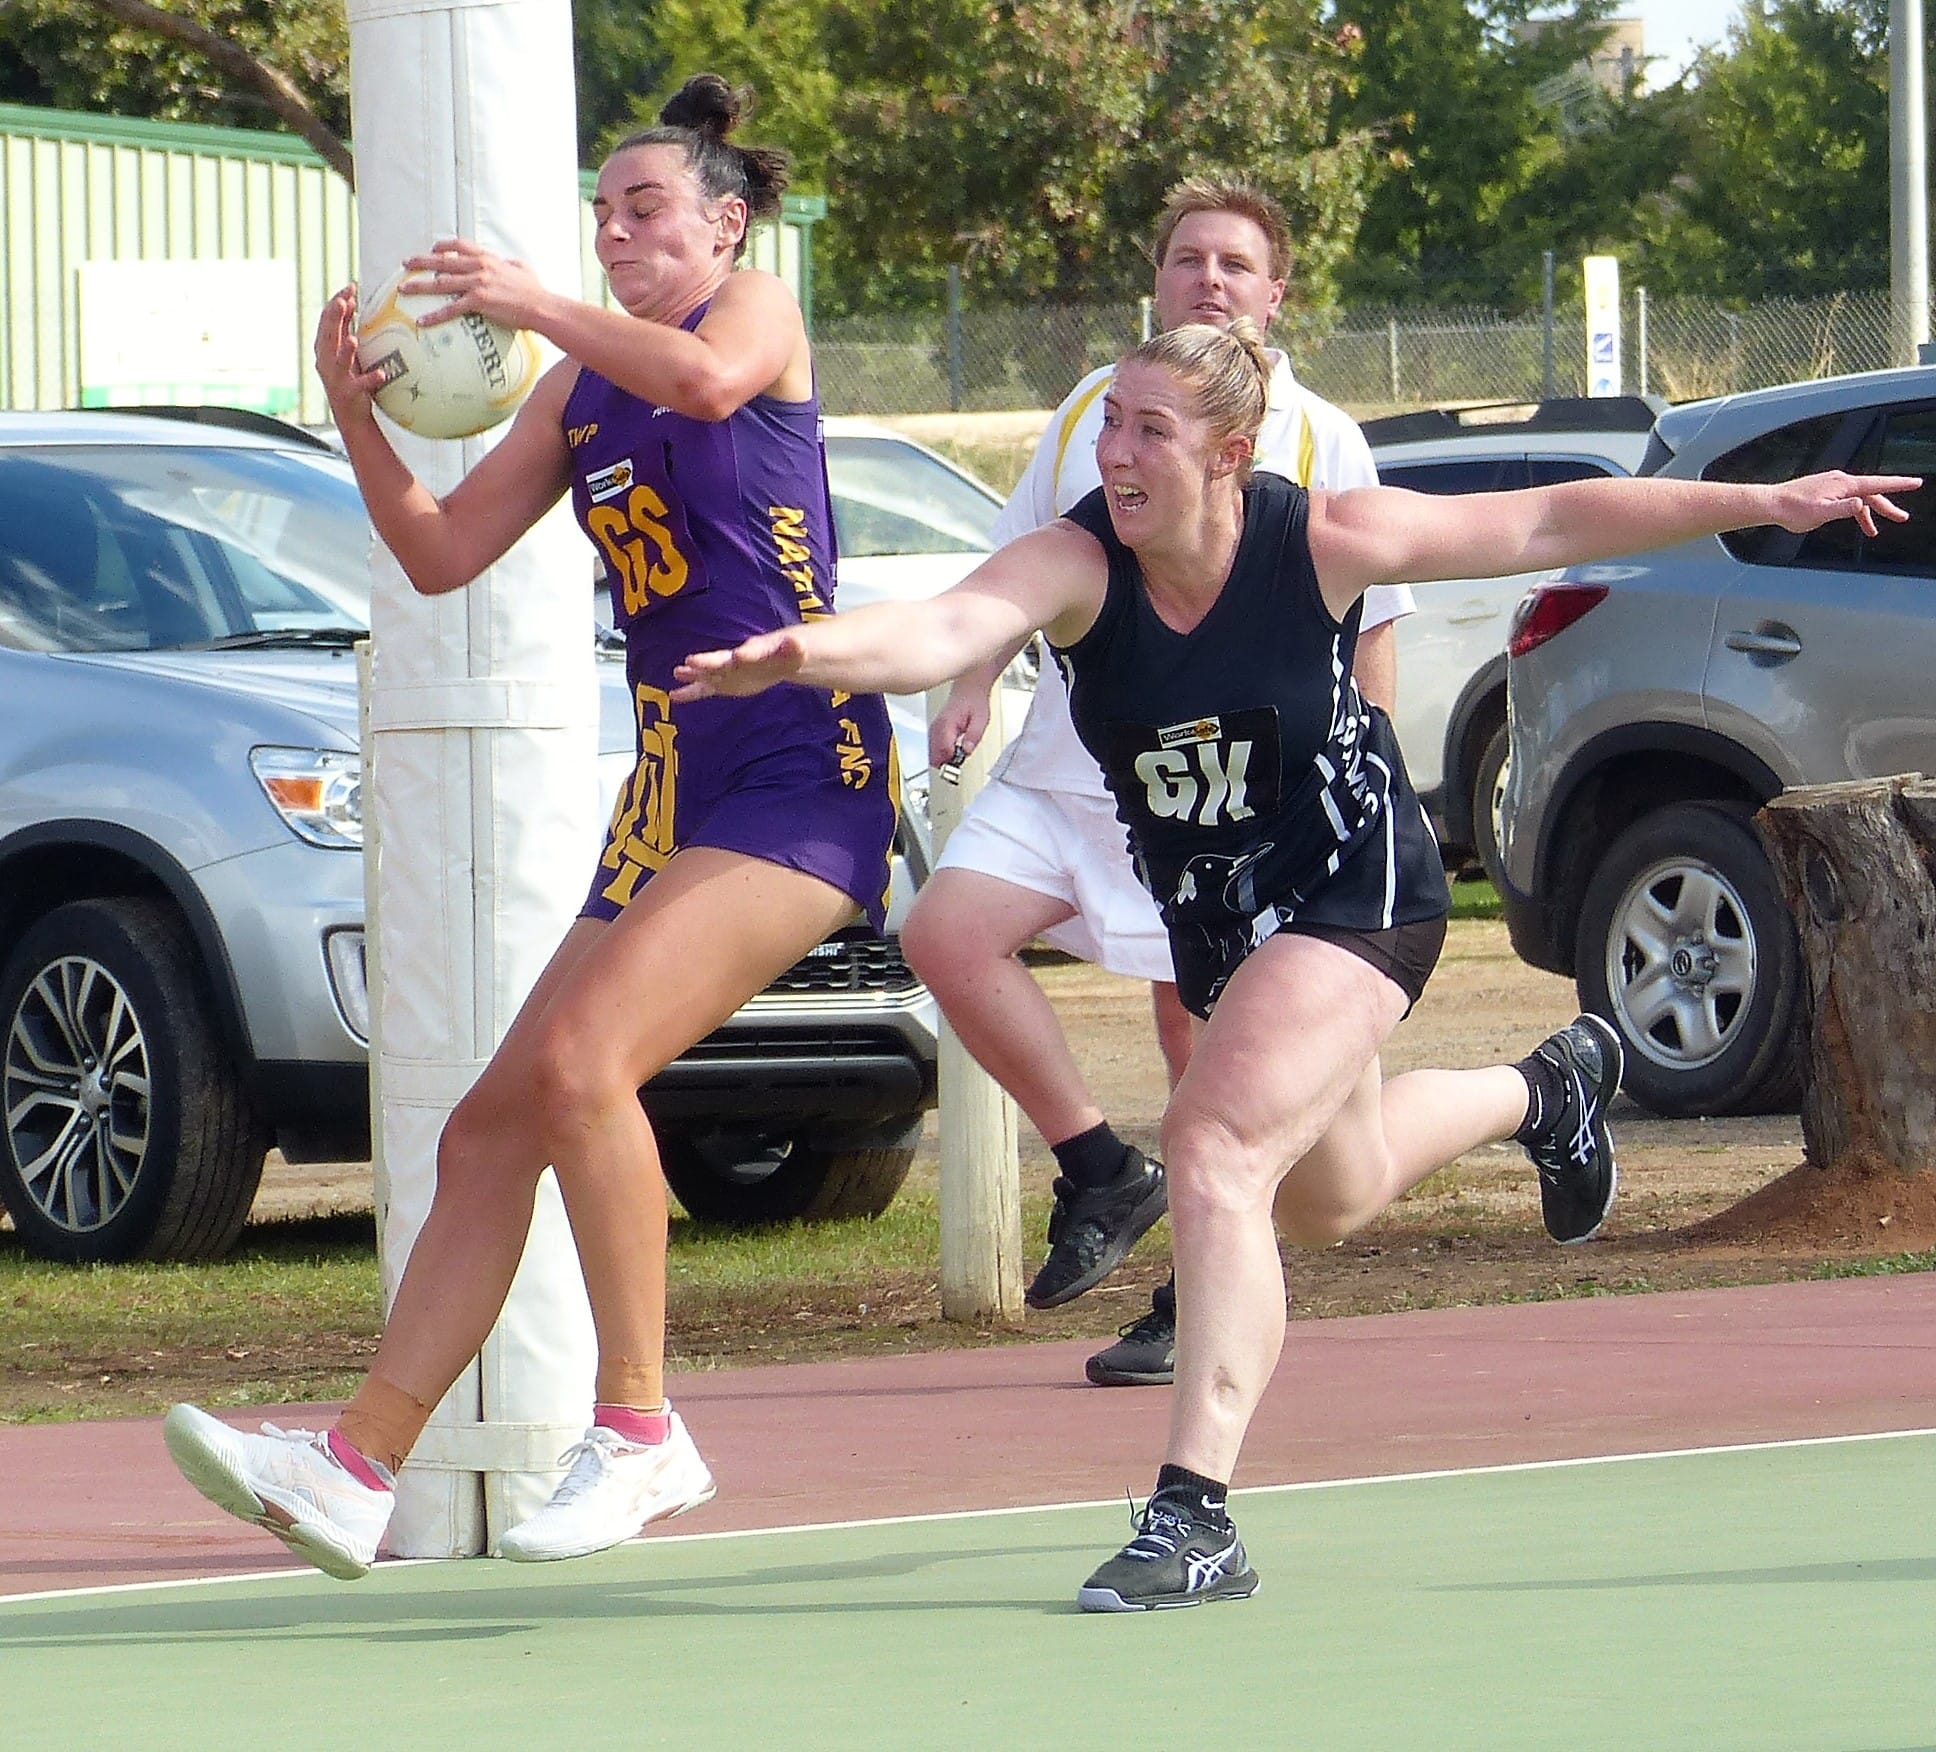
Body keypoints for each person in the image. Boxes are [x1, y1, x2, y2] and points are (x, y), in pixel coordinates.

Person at [672, 319, 1914, 1611]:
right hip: (1221, 920)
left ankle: (1195, 1512)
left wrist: (1764, 496)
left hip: (1355, 892)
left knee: (1213, 1149)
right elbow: (940, 630)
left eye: (1152, 429)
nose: (1119, 453)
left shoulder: (1320, 540)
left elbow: (1551, 521)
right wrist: (804, 653)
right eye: (1110, 426)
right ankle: (1548, 1090)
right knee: (1334, 1194)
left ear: (1232, 453)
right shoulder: (1079, 560)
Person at [160, 75, 898, 1580]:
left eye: (648, 209)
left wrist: (536, 299)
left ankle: (641, 1429)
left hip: (799, 762)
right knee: (495, 1120)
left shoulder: (748, 315)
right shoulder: (573, 388)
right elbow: (440, 554)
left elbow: (704, 393)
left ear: (723, 222)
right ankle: (356, 1467)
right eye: (604, 213)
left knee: (580, 1068)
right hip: (676, 779)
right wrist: (362, 422)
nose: (620, 233)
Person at [903, 176, 1410, 1387]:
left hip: (1225, 798)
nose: (1210, 280)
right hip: (1079, 764)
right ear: (1158, 280)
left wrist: (1370, 773)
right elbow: (1023, 563)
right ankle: (1095, 1166)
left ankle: (1193, 1296)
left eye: (1236, 264)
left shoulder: (1315, 435)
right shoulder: (1097, 408)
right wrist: (972, 672)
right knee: (946, 935)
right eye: (1189, 260)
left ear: (1276, 295)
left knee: (1212, 1052)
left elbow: (1376, 625)